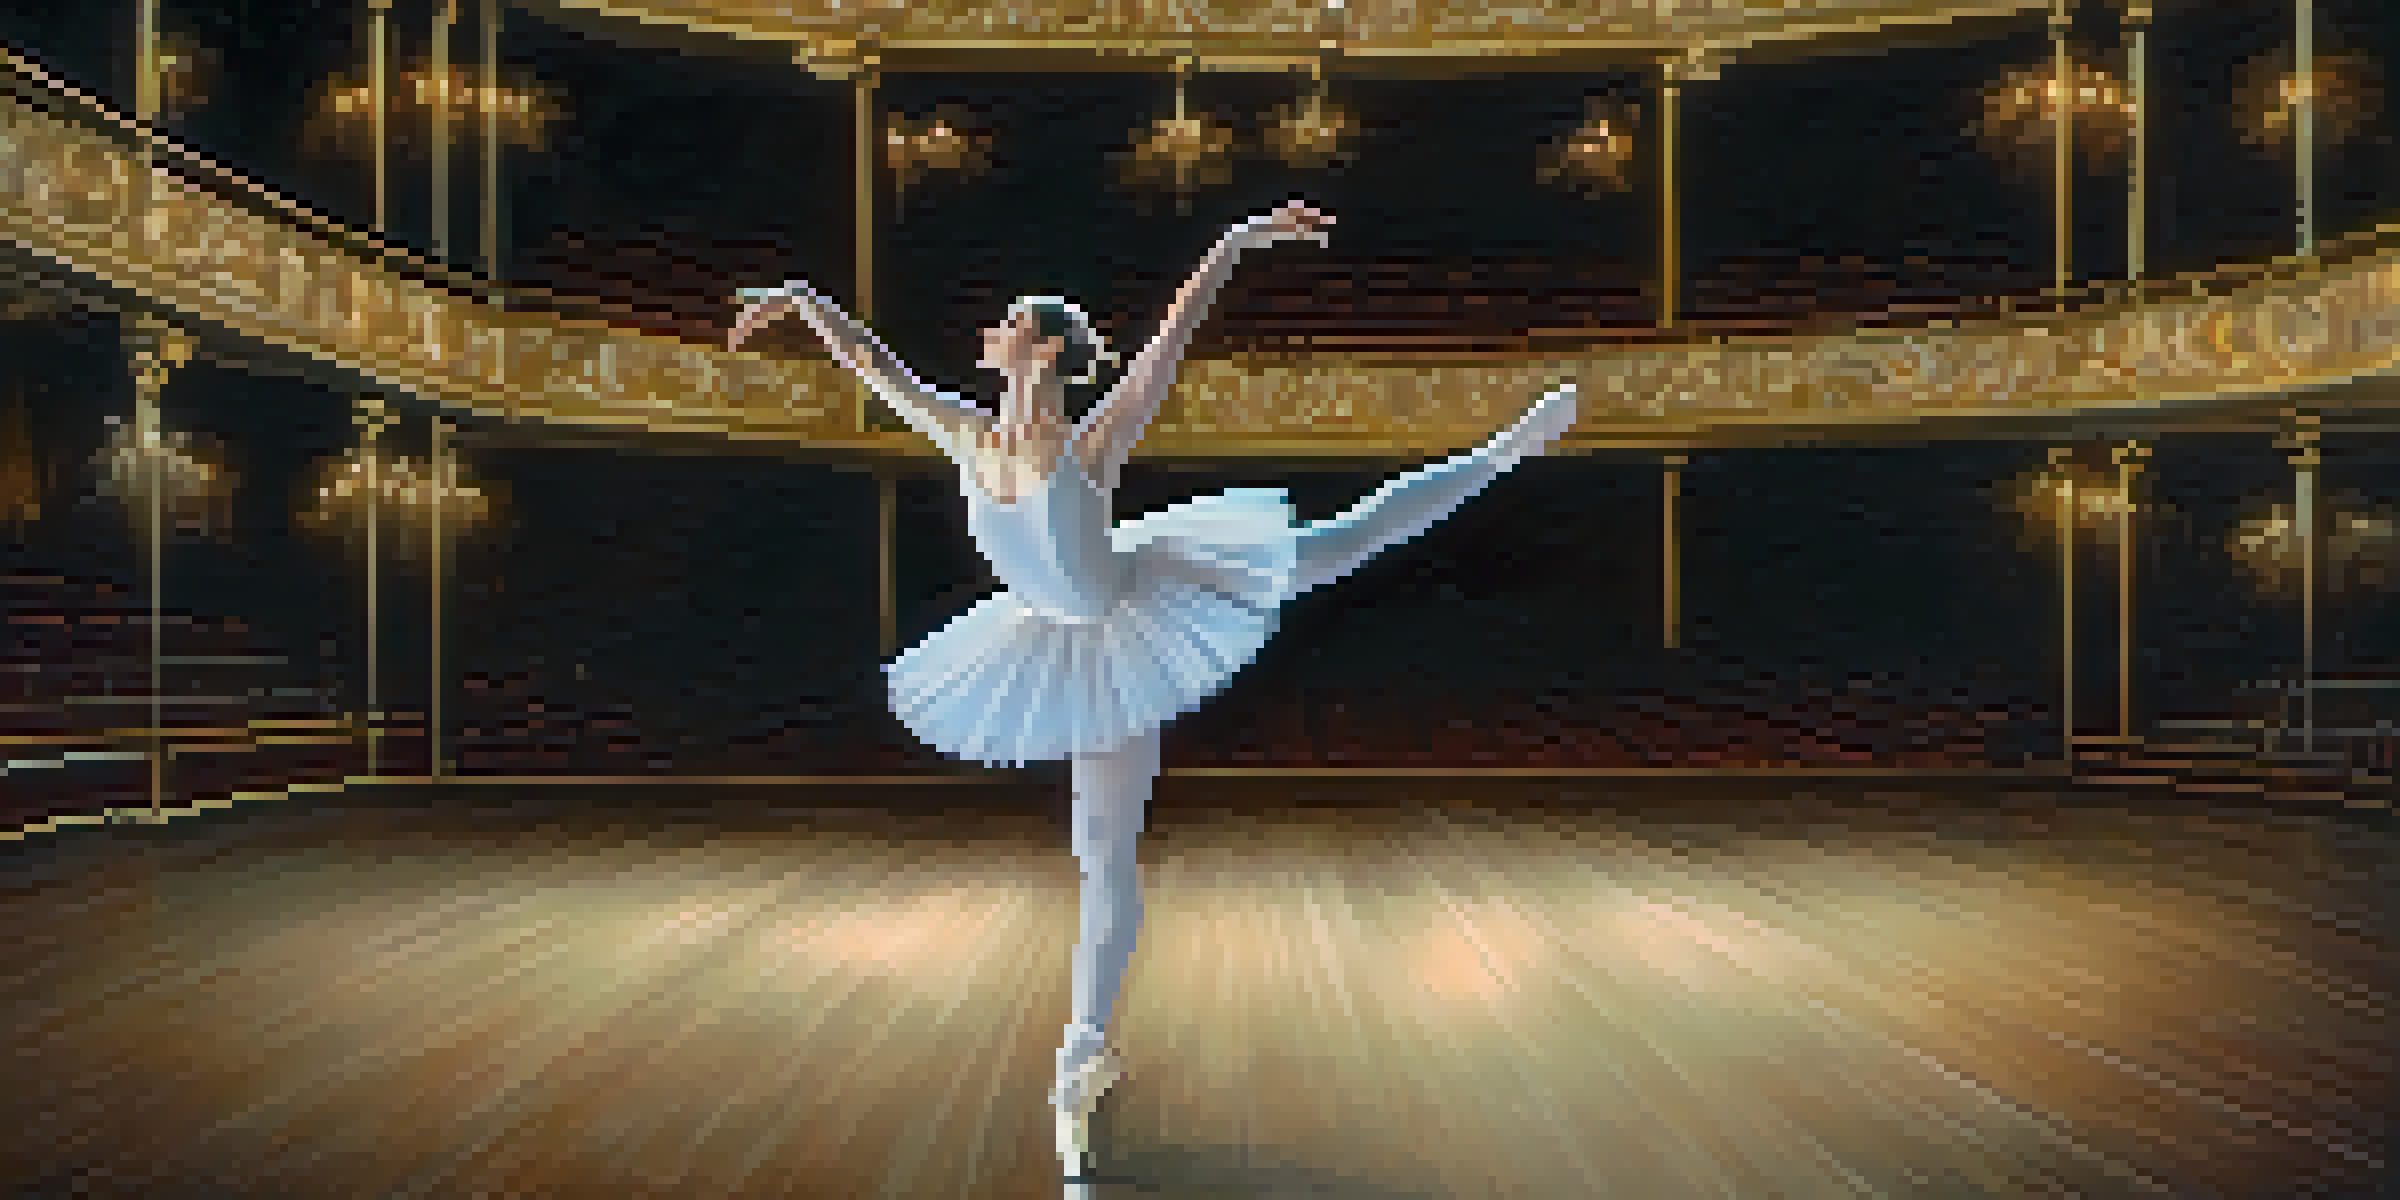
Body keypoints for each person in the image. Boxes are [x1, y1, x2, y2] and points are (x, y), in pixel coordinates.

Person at [729, 202, 1578, 1190]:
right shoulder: (967, 432)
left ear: (1039, 347)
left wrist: (1235, 243)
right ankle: (1084, 1052)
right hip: (1067, 646)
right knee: (1101, 854)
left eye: (1008, 320)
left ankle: (1502, 453)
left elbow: (1168, 346)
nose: (988, 330)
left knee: (1344, 539)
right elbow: (876, 367)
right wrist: (801, 301)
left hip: (1153, 606)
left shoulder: (1088, 447)